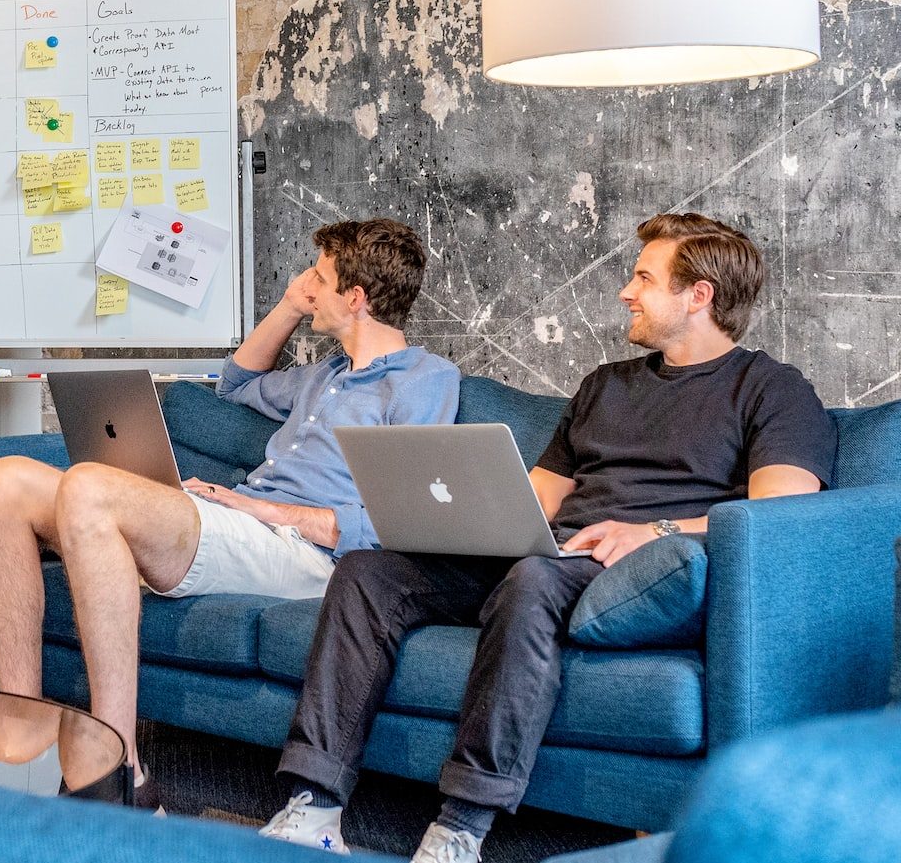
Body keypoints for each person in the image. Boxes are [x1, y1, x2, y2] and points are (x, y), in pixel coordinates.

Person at [260, 212, 836, 863]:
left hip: (637, 569)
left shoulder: (771, 388)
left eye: (644, 276)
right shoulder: (605, 384)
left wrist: (653, 529)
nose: (626, 289)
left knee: (532, 577)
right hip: (548, 553)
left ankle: (461, 826)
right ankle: (314, 803)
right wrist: (460, 519)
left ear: (698, 294)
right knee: (369, 568)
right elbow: (535, 498)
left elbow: (782, 510)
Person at [0, 218, 460, 806]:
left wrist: (265, 509)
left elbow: (400, 520)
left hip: (306, 555)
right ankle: (24, 711)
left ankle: (121, 766)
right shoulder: (324, 377)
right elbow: (234, 382)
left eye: (319, 278)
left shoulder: (424, 381)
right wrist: (286, 306)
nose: (306, 283)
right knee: (2, 482)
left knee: (90, 488)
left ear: (354, 299)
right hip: (243, 527)